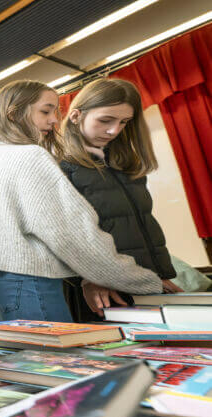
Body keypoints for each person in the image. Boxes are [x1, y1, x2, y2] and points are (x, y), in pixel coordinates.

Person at [0, 80, 163, 323]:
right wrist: (145, 281)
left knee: (33, 360)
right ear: (14, 114)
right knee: (54, 361)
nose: (55, 120)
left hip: (1, 283)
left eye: (55, 111)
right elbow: (73, 234)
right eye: (45, 111)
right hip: (33, 283)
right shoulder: (30, 155)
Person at [60, 78, 181, 320]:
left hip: (143, 282)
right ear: (75, 116)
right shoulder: (61, 167)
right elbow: (67, 235)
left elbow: (143, 225)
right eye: (105, 120)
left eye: (124, 122)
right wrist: (90, 278)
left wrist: (159, 274)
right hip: (101, 289)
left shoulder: (124, 164)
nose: (114, 130)